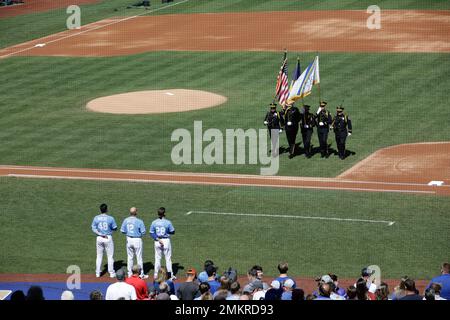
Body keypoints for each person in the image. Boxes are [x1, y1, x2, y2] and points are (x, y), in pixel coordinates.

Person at [91, 203, 118, 278]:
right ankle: (111, 273)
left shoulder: (96, 218)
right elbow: (115, 228)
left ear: (100, 210)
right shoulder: (110, 218)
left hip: (99, 238)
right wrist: (111, 230)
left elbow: (93, 228)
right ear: (106, 209)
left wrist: (100, 233)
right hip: (108, 238)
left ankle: (97, 273)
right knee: (110, 256)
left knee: (99, 256)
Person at [120, 207, 147, 278]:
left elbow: (122, 230)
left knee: (130, 257)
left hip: (129, 239)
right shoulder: (139, 221)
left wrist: (128, 233)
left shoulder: (126, 220)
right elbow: (143, 232)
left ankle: (129, 274)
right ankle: (141, 274)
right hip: (137, 240)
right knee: (139, 257)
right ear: (136, 212)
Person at [150, 207, 175, 280]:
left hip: (157, 241)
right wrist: (167, 232)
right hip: (166, 241)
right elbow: (173, 231)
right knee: (168, 259)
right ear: (164, 213)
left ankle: (155, 274)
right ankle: (170, 275)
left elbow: (151, 233)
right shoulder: (168, 222)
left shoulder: (154, 222)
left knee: (157, 258)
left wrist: (158, 239)